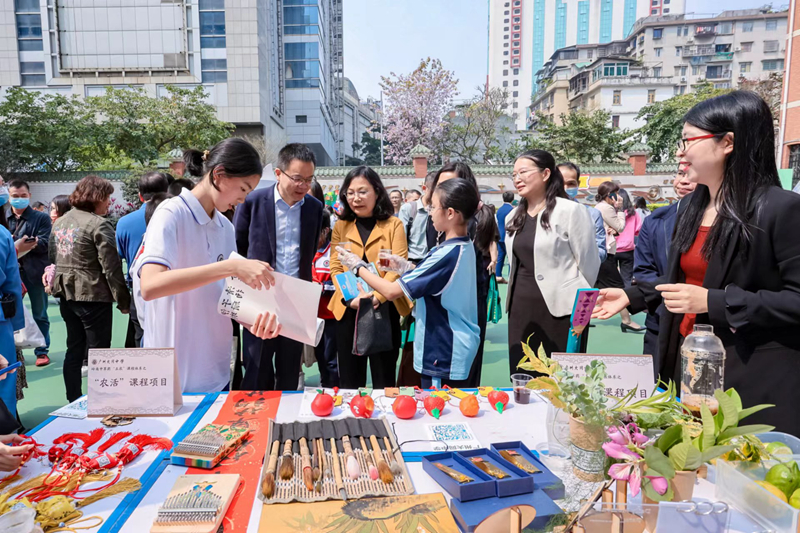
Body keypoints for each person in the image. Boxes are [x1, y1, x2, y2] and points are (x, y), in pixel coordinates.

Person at [593, 90, 800, 435]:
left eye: (688, 140)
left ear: (727, 143)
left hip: (748, 376)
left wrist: (713, 302)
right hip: (688, 367)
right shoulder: (691, 208)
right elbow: (682, 277)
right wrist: (635, 295)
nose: (680, 151)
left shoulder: (780, 209)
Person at [137, 139, 281, 394]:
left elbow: (225, 296)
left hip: (215, 370)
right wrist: (231, 268)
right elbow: (151, 285)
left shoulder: (225, 227)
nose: (243, 200)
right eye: (243, 189)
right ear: (219, 175)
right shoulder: (171, 214)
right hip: (173, 375)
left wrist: (253, 321)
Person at [337, 178, 481, 388]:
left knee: (438, 410)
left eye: (433, 206)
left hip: (443, 349)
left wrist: (357, 266)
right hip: (455, 344)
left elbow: (392, 290)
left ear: (450, 213)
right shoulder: (463, 246)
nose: (430, 212)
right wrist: (405, 267)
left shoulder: (446, 253)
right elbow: (434, 278)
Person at [234, 143, 324, 391]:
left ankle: (284, 423)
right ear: (278, 173)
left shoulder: (314, 209)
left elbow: (309, 255)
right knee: (256, 368)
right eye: (297, 178)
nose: (303, 186)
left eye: (308, 179)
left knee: (289, 370)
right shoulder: (252, 202)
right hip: (258, 300)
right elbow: (238, 249)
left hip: (295, 302)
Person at [505, 150, 600, 377]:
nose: (517, 178)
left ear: (546, 173)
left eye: (523, 172)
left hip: (561, 310)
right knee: (523, 374)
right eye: (514, 174)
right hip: (520, 307)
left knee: (560, 380)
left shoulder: (570, 211)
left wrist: (580, 313)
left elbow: (589, 265)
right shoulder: (513, 217)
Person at [329, 166, 411, 389]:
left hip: (383, 310)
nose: (356, 198)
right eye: (350, 192)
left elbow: (397, 267)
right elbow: (335, 267)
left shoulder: (394, 225)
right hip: (348, 309)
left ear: (377, 192)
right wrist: (350, 298)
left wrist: (377, 297)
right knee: (349, 380)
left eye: (363, 192)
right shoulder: (341, 226)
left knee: (384, 381)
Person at [49, 176, 130, 403]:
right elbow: (111, 267)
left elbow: (52, 257)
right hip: (93, 295)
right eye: (107, 198)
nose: (109, 203)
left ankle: (73, 399)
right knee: (100, 353)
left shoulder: (61, 221)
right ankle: (101, 401)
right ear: (97, 198)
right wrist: (123, 301)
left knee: (74, 348)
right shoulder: (98, 224)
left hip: (66, 294)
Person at [425, 162, 498, 387]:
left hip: (468, 298)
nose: (442, 189)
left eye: (448, 184)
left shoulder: (475, 220)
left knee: (465, 360)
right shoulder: (434, 218)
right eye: (439, 184)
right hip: (440, 297)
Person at [634, 170, 696, 366]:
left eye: (692, 173)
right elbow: (644, 272)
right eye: (680, 173)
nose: (684, 181)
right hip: (661, 319)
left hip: (708, 327)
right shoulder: (655, 220)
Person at [116, 172, 170, 349]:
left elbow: (119, 258)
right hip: (172, 287)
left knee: (142, 339)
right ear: (167, 191)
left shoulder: (124, 222)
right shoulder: (175, 216)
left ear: (140, 195)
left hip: (138, 292)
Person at [396, 172, 436, 387]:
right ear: (425, 187)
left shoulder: (442, 210)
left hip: (435, 267)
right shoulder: (409, 209)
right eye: (434, 188)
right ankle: (409, 378)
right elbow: (400, 243)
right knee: (411, 323)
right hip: (411, 268)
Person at [7, 180, 52, 367]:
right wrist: (18, 244)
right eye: (15, 196)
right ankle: (11, 352)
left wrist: (15, 243)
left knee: (40, 313)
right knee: (9, 314)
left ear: (29, 196)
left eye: (23, 196)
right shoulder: (3, 217)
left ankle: (42, 351)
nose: (19, 199)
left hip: (35, 272)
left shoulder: (41, 218)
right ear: (9, 197)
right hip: (10, 274)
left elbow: (44, 243)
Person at [595, 182, 644, 332]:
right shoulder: (607, 208)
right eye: (616, 193)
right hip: (606, 253)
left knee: (594, 286)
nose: (619, 197)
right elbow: (620, 227)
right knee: (618, 286)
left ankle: (583, 316)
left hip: (602, 252)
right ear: (609, 195)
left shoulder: (599, 207)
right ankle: (626, 321)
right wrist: (621, 209)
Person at [0, 201, 24, 426]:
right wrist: (16, 323)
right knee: (4, 376)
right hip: (0, 320)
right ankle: (5, 436)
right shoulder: (2, 234)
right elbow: (11, 283)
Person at [559, 162, 606, 264]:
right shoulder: (543, 212)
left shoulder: (592, 214)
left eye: (571, 183)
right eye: (560, 183)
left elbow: (601, 252)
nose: (565, 188)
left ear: (578, 184)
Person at [312, 208, 338, 387]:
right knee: (320, 357)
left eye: (315, 232)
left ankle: (333, 391)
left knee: (331, 360)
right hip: (311, 317)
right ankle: (324, 387)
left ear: (325, 230)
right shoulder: (306, 251)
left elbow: (342, 284)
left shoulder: (334, 253)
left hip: (331, 317)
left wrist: (321, 288)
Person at [614, 189, 642, 290]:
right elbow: (638, 230)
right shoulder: (633, 214)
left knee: (612, 279)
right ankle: (627, 299)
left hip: (612, 249)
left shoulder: (611, 212)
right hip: (628, 250)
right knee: (627, 278)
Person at [495, 191, 514, 283]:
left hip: (499, 235)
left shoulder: (499, 210)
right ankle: (511, 276)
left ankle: (498, 275)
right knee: (511, 257)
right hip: (508, 236)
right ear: (512, 199)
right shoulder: (512, 210)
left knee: (500, 256)